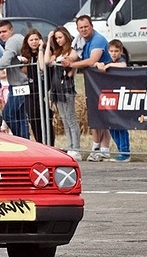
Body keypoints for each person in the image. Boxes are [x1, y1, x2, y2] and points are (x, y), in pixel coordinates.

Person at [63, 15, 113, 160]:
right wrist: (68, 60)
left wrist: (72, 65)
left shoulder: (98, 40)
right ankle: (97, 147)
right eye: (81, 28)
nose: (84, 30)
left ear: (91, 26)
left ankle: (104, 149)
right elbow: (73, 55)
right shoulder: (78, 39)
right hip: (92, 82)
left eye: (86, 27)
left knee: (103, 115)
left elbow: (92, 60)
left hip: (105, 81)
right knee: (95, 115)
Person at [43, 26, 81, 159]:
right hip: (56, 88)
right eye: (56, 38)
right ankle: (70, 146)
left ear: (66, 36)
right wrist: (48, 42)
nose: (58, 40)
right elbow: (46, 61)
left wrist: (62, 62)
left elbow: (71, 60)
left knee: (71, 118)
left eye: (60, 37)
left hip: (67, 87)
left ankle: (76, 148)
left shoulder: (71, 51)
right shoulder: (57, 52)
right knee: (64, 119)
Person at [0, 20, 29, 138]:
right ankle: (25, 140)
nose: (2, 35)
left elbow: (6, 59)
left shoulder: (12, 42)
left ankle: (19, 138)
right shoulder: (20, 38)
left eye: (4, 31)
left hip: (19, 83)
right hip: (21, 82)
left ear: (11, 30)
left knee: (7, 114)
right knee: (21, 117)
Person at [20, 29, 49, 145]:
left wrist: (41, 49)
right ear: (27, 41)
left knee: (46, 118)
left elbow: (42, 67)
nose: (34, 42)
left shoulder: (46, 50)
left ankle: (49, 144)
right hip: (30, 90)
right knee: (33, 118)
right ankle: (39, 143)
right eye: (31, 40)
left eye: (36, 39)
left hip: (44, 88)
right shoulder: (26, 54)